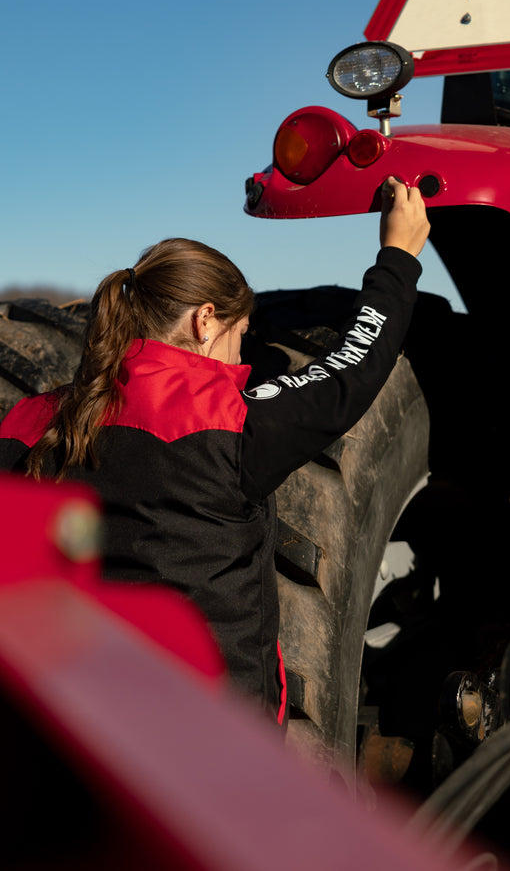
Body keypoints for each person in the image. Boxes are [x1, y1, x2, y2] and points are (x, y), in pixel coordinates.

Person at [0, 177, 429, 723]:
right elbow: (349, 369)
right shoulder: (227, 421)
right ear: (205, 321)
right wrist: (398, 256)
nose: (239, 358)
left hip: (79, 728)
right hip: (211, 750)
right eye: (240, 334)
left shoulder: (28, 421)